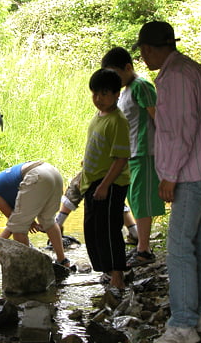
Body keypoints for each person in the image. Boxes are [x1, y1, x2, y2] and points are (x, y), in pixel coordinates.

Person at [134, 21, 201, 343]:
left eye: (143, 52)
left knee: (177, 249)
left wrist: (169, 175)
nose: (144, 59)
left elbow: (179, 131)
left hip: (190, 173)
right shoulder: (195, 69)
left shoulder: (173, 77)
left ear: (148, 49)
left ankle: (183, 325)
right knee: (200, 241)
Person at [101, 46, 165, 267]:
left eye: (115, 75)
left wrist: (168, 149)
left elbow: (158, 117)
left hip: (145, 152)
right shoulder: (124, 91)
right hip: (129, 155)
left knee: (142, 200)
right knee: (134, 200)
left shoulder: (142, 86)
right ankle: (140, 244)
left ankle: (144, 250)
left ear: (128, 68)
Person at [80, 68, 131, 291]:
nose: (98, 99)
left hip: (110, 185)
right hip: (93, 182)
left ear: (117, 94)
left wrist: (104, 185)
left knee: (109, 230)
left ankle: (118, 274)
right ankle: (106, 270)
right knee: (92, 230)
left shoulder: (118, 121)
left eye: (104, 94)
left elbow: (121, 158)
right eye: (95, 94)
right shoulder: (99, 115)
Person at [0, 161, 69, 267]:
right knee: (48, 221)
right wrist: (30, 221)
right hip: (53, 172)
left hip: (37, 175)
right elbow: (22, 212)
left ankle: (30, 268)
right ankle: (63, 261)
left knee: (18, 229)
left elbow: (14, 223)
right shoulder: (3, 183)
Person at [54, 170, 138, 244]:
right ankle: (134, 232)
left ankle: (57, 224)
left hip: (103, 170)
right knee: (115, 200)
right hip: (115, 172)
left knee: (76, 186)